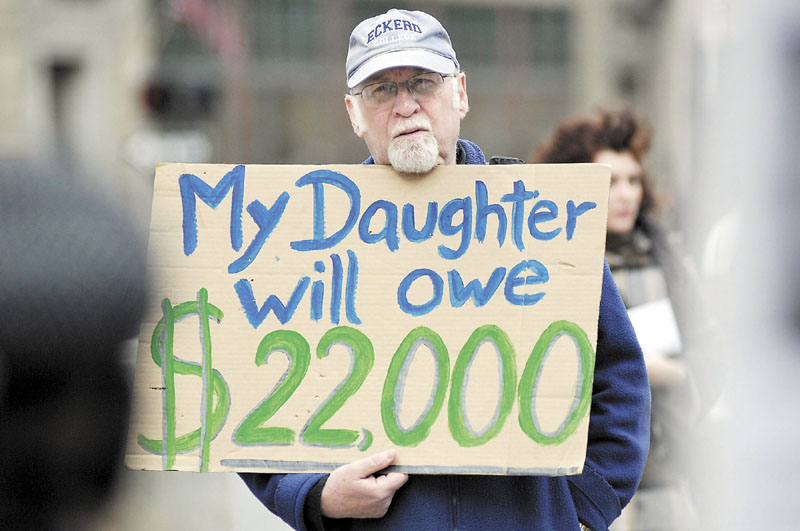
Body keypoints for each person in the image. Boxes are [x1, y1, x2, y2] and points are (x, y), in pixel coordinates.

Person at [240, 10, 650, 531]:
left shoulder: (541, 219)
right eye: (380, 90)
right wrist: (314, 495)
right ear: (353, 113)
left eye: (422, 83)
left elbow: (617, 373)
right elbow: (247, 400)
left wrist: (584, 507)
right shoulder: (306, 236)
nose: (405, 105)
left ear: (460, 93)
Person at [533, 104, 703, 529]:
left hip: (669, 479)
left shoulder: (669, 262)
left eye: (632, 180)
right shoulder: (547, 267)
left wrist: (669, 374)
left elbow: (715, 353)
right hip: (584, 485)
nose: (625, 194)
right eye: (610, 182)